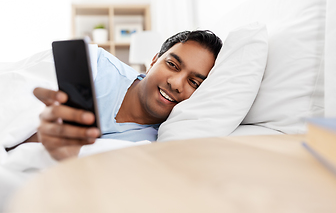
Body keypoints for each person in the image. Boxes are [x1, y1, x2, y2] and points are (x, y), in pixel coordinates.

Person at [32, 30, 222, 160]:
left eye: (194, 83)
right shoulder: (96, 65)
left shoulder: (158, 142)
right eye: (172, 65)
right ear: (154, 60)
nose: (176, 83)